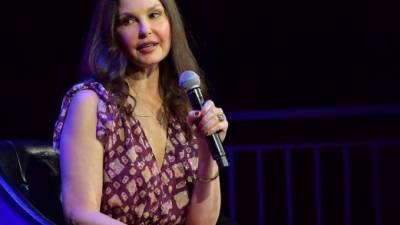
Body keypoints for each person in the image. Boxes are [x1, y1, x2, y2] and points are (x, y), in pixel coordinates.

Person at [52, 0, 229, 224]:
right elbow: (80, 213)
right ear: (112, 34)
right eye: (128, 21)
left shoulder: (182, 106)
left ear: (170, 22)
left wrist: (207, 155)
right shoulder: (92, 104)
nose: (145, 30)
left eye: (154, 15)